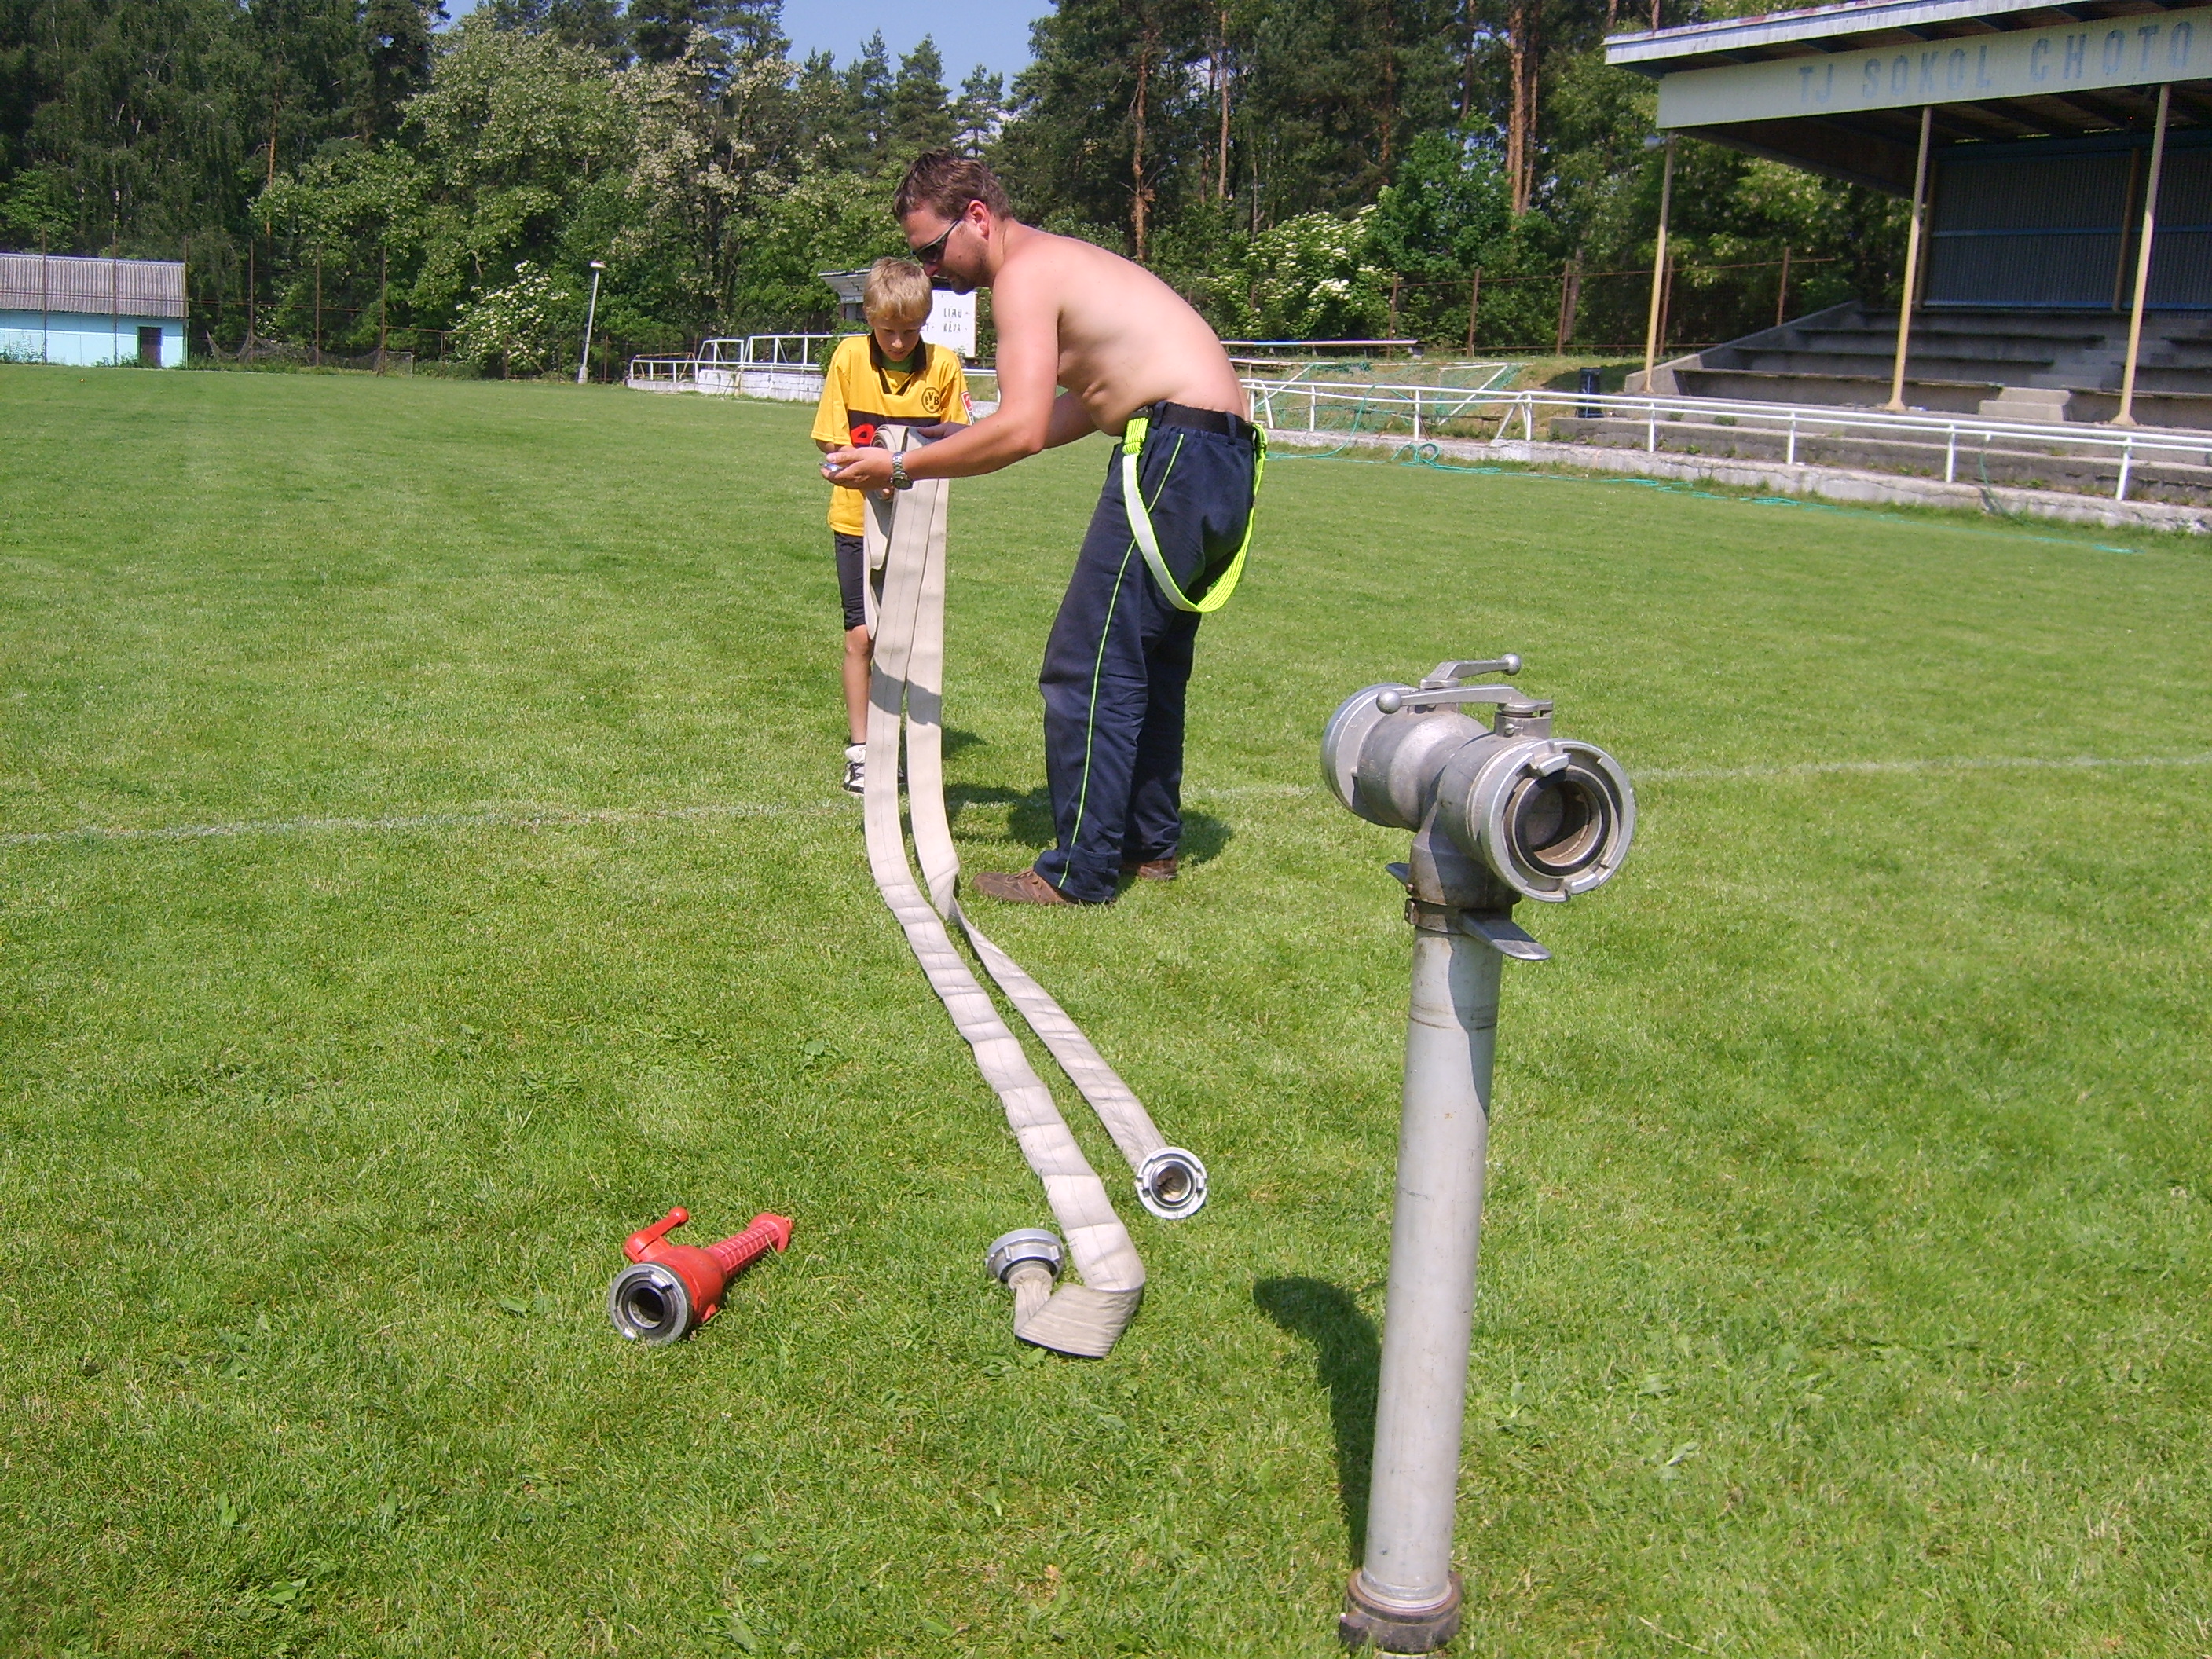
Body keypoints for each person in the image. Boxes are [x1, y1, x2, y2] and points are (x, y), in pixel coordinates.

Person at [822, 151, 1259, 904]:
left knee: (1082, 665)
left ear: (979, 218)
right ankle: (1147, 846)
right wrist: (940, 446)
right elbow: (1081, 408)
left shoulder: (1024, 274)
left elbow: (1021, 429)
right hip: (1218, 455)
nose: (929, 271)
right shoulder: (1069, 265)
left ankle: (1081, 872)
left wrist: (899, 470)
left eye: (932, 250)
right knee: (1149, 663)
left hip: (1175, 452)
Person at [811, 256, 972, 794]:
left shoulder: (945, 366)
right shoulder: (850, 357)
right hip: (856, 522)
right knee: (862, 635)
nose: (899, 342)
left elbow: (961, 444)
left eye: (910, 331)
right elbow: (830, 442)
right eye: (887, 331)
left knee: (908, 640)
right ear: (869, 320)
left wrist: (906, 472)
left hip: (918, 526)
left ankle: (901, 745)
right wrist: (868, 474)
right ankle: (862, 750)